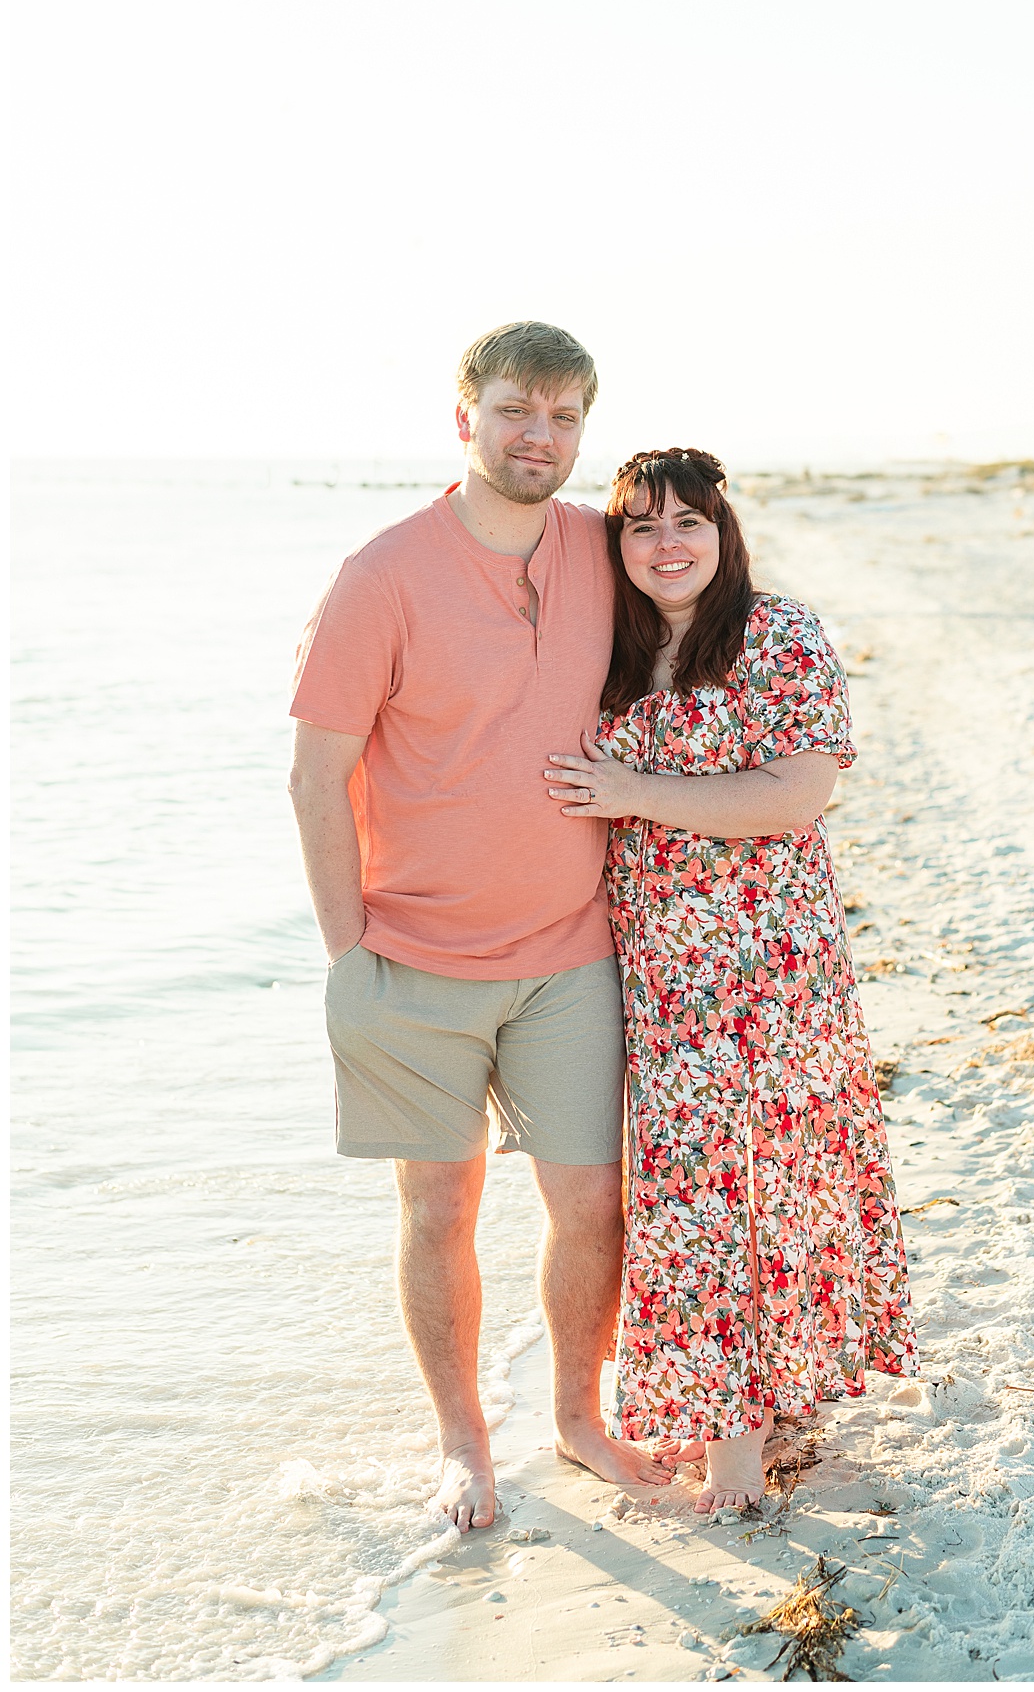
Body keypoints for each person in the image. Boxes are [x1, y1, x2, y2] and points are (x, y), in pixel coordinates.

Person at [289, 322, 674, 1533]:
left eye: (562, 419)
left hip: (570, 955)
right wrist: (352, 952)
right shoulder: (382, 574)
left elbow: (705, 609)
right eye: (515, 410)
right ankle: (464, 1447)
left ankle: (576, 1417)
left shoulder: (600, 550)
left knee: (593, 1206)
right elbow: (315, 776)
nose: (537, 438)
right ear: (464, 417)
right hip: (410, 963)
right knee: (438, 1211)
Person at [542, 447, 920, 1513]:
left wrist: (631, 789)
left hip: (770, 965)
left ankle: (738, 1448)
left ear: (724, 530)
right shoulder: (606, 650)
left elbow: (797, 795)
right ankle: (744, 1406)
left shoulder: (778, 633)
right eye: (641, 527)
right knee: (691, 1194)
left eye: (688, 523)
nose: (667, 545)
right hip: (658, 970)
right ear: (616, 546)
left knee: (760, 1187)